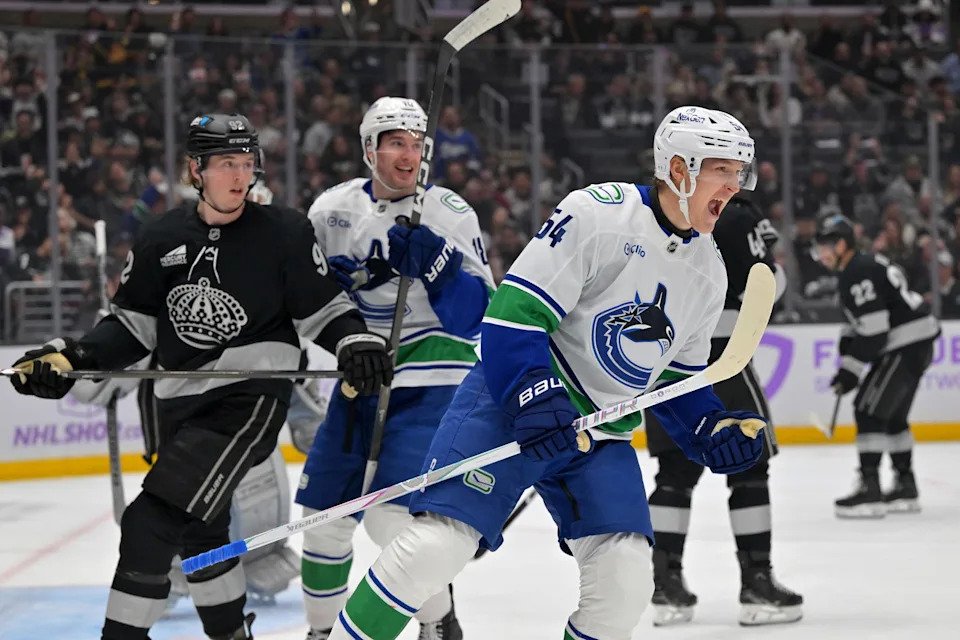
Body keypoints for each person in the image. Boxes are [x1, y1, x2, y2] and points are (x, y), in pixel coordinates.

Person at [325, 105, 767, 640]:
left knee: (625, 583)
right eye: (723, 171)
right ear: (680, 170)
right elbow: (512, 318)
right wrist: (535, 396)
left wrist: (708, 429)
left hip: (598, 436)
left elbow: (676, 381)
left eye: (738, 172)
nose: (735, 186)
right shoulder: (597, 214)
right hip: (508, 406)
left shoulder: (708, 271)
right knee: (433, 550)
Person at [7, 113, 393, 640]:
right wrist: (68, 356)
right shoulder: (161, 236)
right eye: (226, 164)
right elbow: (130, 328)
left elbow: (323, 311)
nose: (240, 175)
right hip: (178, 405)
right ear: (196, 170)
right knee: (200, 531)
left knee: (149, 521)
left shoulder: (283, 232)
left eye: (246, 162)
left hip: (248, 401)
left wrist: (357, 341)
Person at [296, 96, 495, 640]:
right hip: (360, 379)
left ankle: (439, 625)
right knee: (324, 522)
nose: (409, 156)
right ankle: (319, 632)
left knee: (394, 522)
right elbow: (305, 305)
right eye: (396, 143)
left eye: (417, 144)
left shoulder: (448, 213)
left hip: (434, 380)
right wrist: (327, 288)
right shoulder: (331, 212)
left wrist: (439, 267)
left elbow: (475, 318)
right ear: (369, 149)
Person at [644, 196, 802, 627]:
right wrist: (773, 260)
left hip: (659, 355)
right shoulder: (735, 213)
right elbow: (766, 285)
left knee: (674, 473)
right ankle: (757, 581)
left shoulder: (652, 212)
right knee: (750, 466)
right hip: (720, 353)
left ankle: (663, 585)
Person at [815, 214, 939, 518]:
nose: (820, 255)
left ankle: (869, 488)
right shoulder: (862, 265)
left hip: (903, 344)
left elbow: (874, 331)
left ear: (842, 245)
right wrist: (848, 356)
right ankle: (904, 485)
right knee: (892, 416)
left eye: (825, 247)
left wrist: (850, 370)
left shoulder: (856, 272)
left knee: (867, 409)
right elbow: (860, 323)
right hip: (916, 341)